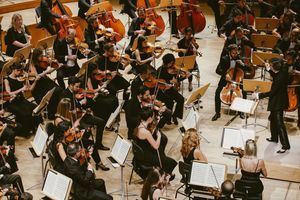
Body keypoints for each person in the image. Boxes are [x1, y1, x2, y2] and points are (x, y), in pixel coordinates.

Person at [60, 76, 109, 150]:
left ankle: (98, 144)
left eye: (79, 86)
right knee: (87, 129)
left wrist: (85, 108)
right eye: (77, 86)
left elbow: (79, 105)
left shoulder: (75, 92)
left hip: (81, 115)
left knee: (101, 122)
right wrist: (80, 106)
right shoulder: (65, 94)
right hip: (74, 119)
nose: (78, 88)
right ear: (70, 85)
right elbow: (67, 111)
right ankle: (82, 146)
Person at [253, 58, 291, 153]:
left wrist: (259, 95)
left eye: (270, 65)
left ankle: (285, 145)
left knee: (279, 124)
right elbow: (276, 75)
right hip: (278, 99)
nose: (269, 65)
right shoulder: (282, 72)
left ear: (274, 67)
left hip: (279, 101)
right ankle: (274, 138)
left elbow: (272, 92)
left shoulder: (279, 79)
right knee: (273, 119)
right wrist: (269, 70)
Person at [133, 107, 177, 176]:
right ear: (149, 118)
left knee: (162, 152)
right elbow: (156, 146)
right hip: (147, 157)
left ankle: (163, 172)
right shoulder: (146, 132)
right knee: (172, 162)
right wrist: (159, 136)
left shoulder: (139, 124)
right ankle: (164, 176)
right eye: (153, 116)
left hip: (143, 152)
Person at [4, 63, 41, 137]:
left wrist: (35, 81)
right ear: (13, 70)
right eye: (18, 71)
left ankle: (34, 127)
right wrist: (21, 89)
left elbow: (30, 89)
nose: (20, 73)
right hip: (12, 102)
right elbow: (9, 93)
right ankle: (23, 132)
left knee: (35, 107)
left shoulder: (21, 78)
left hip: (21, 100)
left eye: (21, 71)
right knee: (25, 113)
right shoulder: (7, 80)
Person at [212, 44, 248, 121]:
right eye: (233, 53)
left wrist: (243, 64)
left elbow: (248, 69)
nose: (235, 55)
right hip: (226, 80)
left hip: (237, 80)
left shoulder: (239, 58)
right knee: (217, 93)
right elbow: (217, 70)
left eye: (236, 53)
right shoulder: (224, 58)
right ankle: (217, 113)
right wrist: (225, 74)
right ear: (229, 53)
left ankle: (241, 112)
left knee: (244, 92)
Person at [30, 48, 63, 119]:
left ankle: (58, 110)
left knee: (59, 90)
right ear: (36, 57)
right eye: (40, 56)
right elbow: (37, 76)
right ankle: (51, 112)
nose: (43, 57)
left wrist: (55, 66)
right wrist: (46, 71)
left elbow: (50, 70)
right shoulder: (31, 65)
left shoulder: (41, 61)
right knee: (54, 92)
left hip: (44, 80)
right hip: (38, 85)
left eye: (42, 55)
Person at [157, 54, 185, 125]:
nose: (171, 64)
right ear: (165, 62)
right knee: (170, 102)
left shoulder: (174, 70)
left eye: (172, 63)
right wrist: (168, 83)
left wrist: (176, 82)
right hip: (162, 90)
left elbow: (176, 87)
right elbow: (158, 83)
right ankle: (168, 118)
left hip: (170, 89)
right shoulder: (160, 70)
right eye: (169, 63)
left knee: (181, 99)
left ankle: (175, 115)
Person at [177, 27, 201, 91]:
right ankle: (179, 81)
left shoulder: (192, 40)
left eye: (190, 34)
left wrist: (194, 49)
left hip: (191, 60)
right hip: (183, 60)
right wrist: (182, 51)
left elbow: (196, 48)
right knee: (182, 68)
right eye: (188, 34)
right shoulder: (180, 42)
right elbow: (179, 54)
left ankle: (189, 82)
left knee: (189, 68)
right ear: (185, 34)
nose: (189, 35)